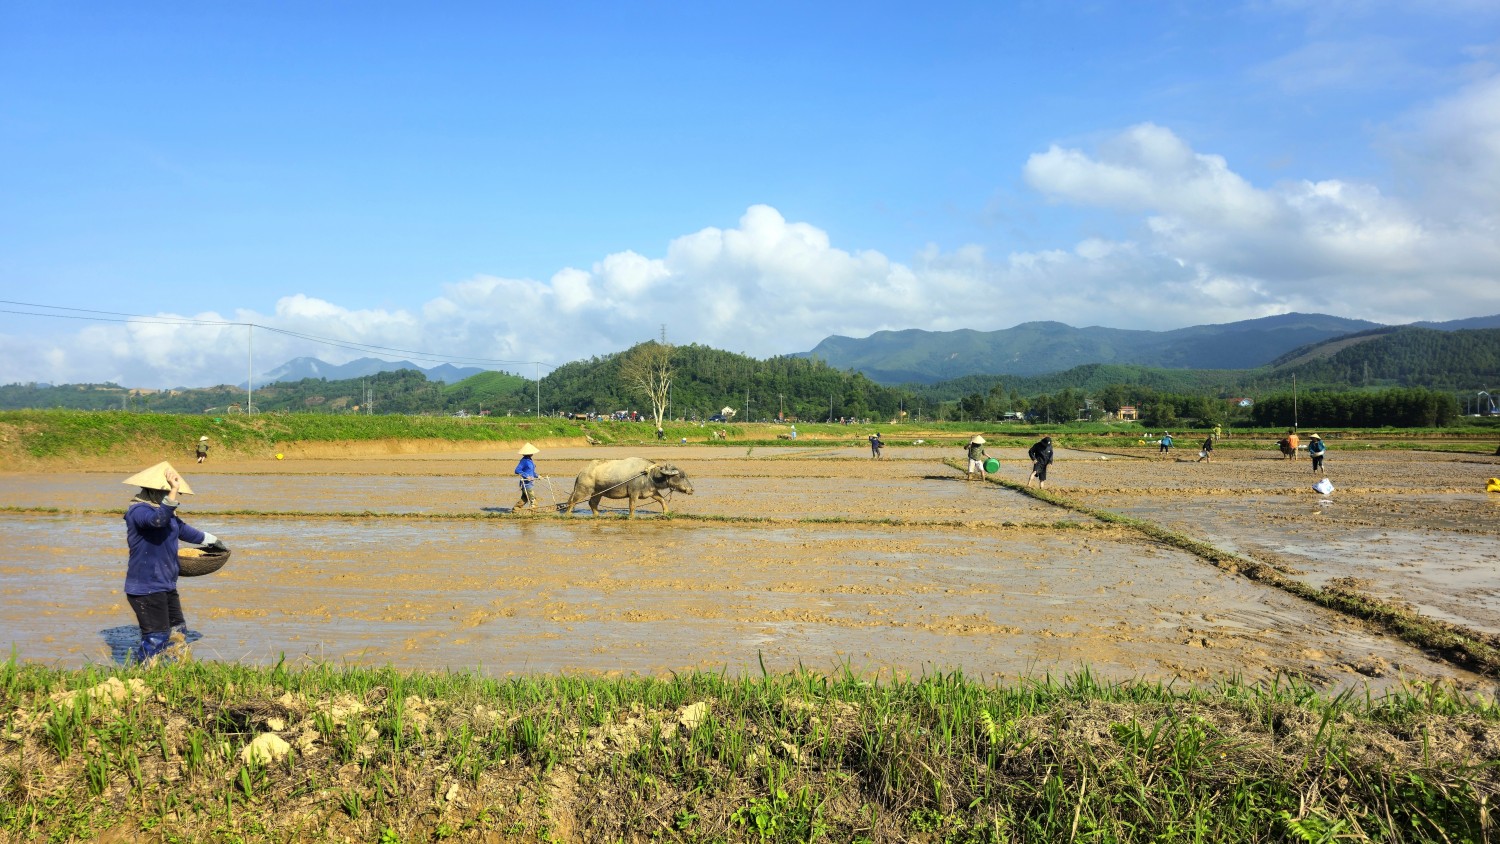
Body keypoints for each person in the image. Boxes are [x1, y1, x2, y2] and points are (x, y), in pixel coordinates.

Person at [123, 461, 220, 663]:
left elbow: (183, 530)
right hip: (145, 587)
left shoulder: (168, 514)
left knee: (178, 631)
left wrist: (212, 540)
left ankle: (174, 673)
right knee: (156, 636)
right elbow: (157, 522)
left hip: (165, 584)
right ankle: (140, 676)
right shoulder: (138, 511)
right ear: (154, 491)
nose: (175, 497)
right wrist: (173, 490)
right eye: (169, 492)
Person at [513, 443, 540, 511]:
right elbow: (517, 470)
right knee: (533, 498)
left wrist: (538, 475)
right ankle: (534, 511)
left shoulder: (530, 460)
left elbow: (531, 472)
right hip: (526, 483)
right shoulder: (524, 461)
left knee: (525, 498)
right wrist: (526, 476)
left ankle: (516, 509)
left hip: (530, 483)